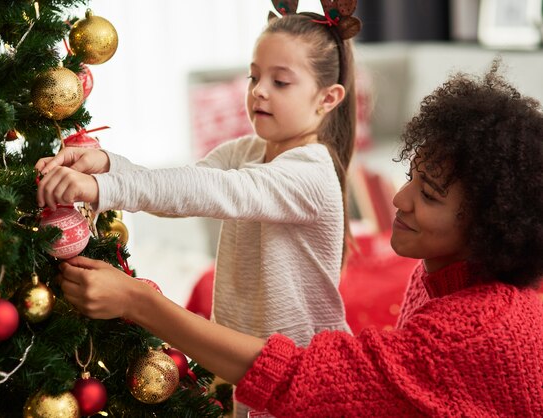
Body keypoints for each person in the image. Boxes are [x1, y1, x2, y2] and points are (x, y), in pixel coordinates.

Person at [55, 63, 543, 416]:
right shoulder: (439, 271)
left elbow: (301, 377)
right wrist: (113, 169)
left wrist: (140, 302)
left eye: (430, 196)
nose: (400, 200)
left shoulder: (474, 329)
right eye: (411, 177)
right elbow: (199, 181)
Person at [37, 8, 360, 350]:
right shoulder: (245, 150)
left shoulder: (311, 170)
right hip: (251, 366)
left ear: (328, 98)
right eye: (254, 77)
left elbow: (216, 191)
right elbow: (185, 188)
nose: (259, 91)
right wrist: (106, 165)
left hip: (308, 372)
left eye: (280, 81)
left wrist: (105, 188)